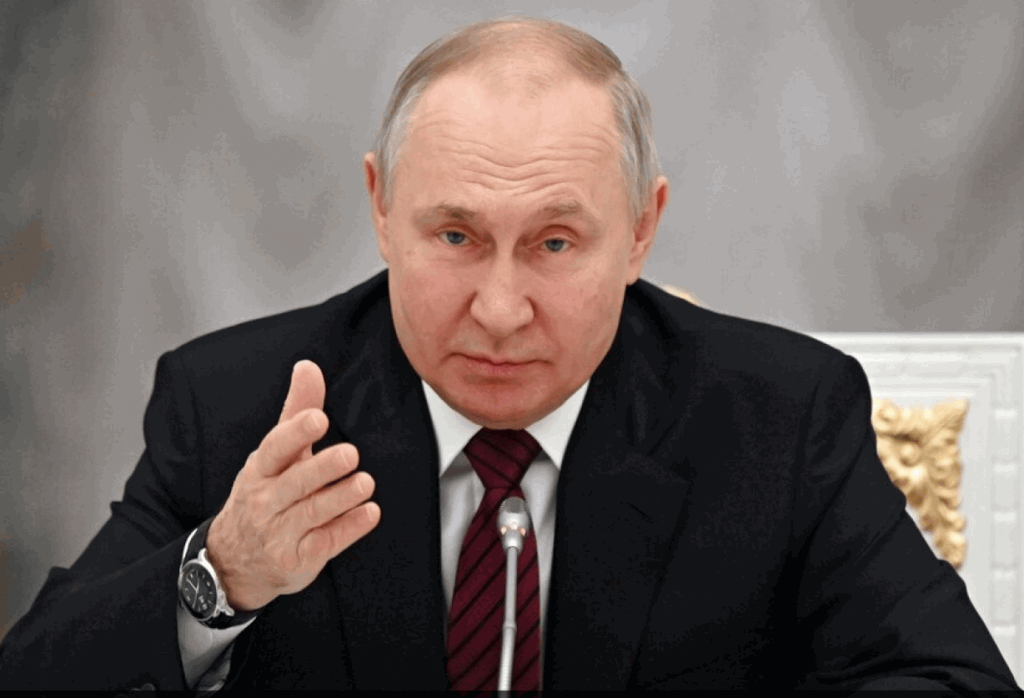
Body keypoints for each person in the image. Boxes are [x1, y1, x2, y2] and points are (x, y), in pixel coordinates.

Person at [0, 16, 1017, 692]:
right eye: (454, 236)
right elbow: (36, 674)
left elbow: (953, 680)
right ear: (381, 208)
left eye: (555, 244)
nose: (497, 309)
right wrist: (221, 573)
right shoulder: (233, 404)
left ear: (642, 230)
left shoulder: (778, 416)